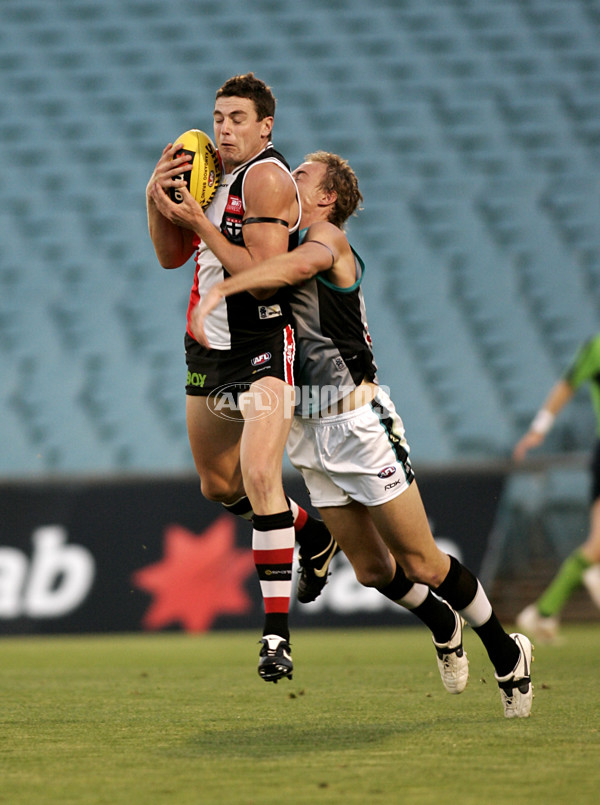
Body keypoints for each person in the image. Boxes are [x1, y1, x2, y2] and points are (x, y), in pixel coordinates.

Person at [190, 151, 534, 718]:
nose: (287, 180)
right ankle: (441, 620)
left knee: (422, 562)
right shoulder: (277, 240)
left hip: (357, 425)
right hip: (307, 429)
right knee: (374, 571)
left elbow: (296, 271)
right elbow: (253, 269)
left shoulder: (326, 237)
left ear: (326, 198)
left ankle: (506, 650)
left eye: (300, 175)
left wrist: (224, 290)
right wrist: (205, 232)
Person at [146, 73, 338, 683]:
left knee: (259, 475)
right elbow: (170, 257)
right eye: (218, 116)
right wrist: (155, 199)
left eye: (235, 118)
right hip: (207, 347)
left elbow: (269, 273)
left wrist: (200, 223)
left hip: (260, 341)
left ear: (265, 126)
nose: (223, 128)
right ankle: (312, 532)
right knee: (216, 483)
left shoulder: (265, 178)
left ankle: (275, 636)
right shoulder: (207, 171)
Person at [513, 334, 600, 643]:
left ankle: (544, 612)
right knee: (596, 545)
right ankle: (545, 610)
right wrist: (539, 429)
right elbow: (567, 385)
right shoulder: (597, 347)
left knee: (596, 545)